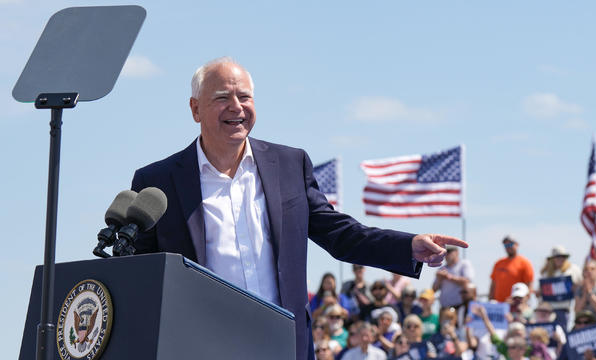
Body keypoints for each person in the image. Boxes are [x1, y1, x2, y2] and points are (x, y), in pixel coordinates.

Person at [129, 58, 468, 360]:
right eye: (222, 98)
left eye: (244, 97)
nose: (237, 107)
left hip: (283, 342)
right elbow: (138, 272)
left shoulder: (290, 165)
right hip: (200, 346)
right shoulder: (157, 181)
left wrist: (408, 245)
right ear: (195, 109)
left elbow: (340, 234)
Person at [538, 245, 582, 329]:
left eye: (562, 257)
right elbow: (539, 292)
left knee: (562, 335)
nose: (560, 259)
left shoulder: (573, 269)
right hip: (547, 311)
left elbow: (580, 287)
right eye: (557, 257)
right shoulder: (546, 273)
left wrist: (574, 287)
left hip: (564, 310)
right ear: (552, 259)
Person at [489, 235, 534, 302]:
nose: (508, 247)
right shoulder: (498, 263)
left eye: (510, 244)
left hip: (515, 306)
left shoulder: (525, 263)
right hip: (499, 305)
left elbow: (529, 286)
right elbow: (493, 284)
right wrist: (491, 300)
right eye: (506, 245)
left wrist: (522, 303)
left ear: (517, 244)